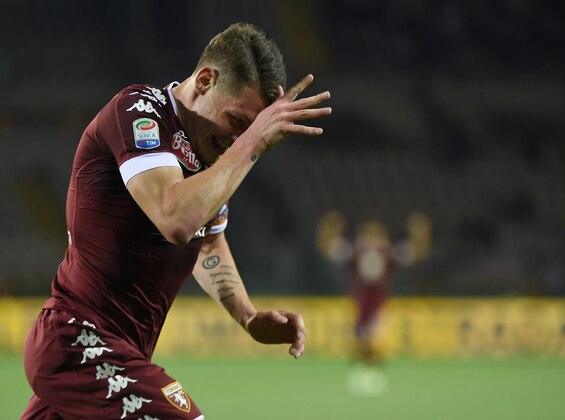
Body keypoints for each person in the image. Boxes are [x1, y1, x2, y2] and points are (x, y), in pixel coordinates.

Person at [21, 23, 332, 419]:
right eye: (238, 121)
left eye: (249, 129)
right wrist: (255, 142)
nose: (239, 139)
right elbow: (176, 220)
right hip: (79, 338)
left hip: (115, 353)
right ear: (204, 81)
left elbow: (206, 240)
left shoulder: (206, 155)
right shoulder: (138, 111)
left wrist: (248, 315)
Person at [317, 211, 431, 366]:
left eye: (376, 236)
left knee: (373, 337)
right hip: (360, 301)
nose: (372, 240)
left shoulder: (387, 252)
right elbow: (329, 249)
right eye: (368, 235)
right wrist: (328, 230)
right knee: (364, 337)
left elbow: (415, 254)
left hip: (380, 301)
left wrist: (420, 235)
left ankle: (369, 355)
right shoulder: (357, 251)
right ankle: (365, 354)